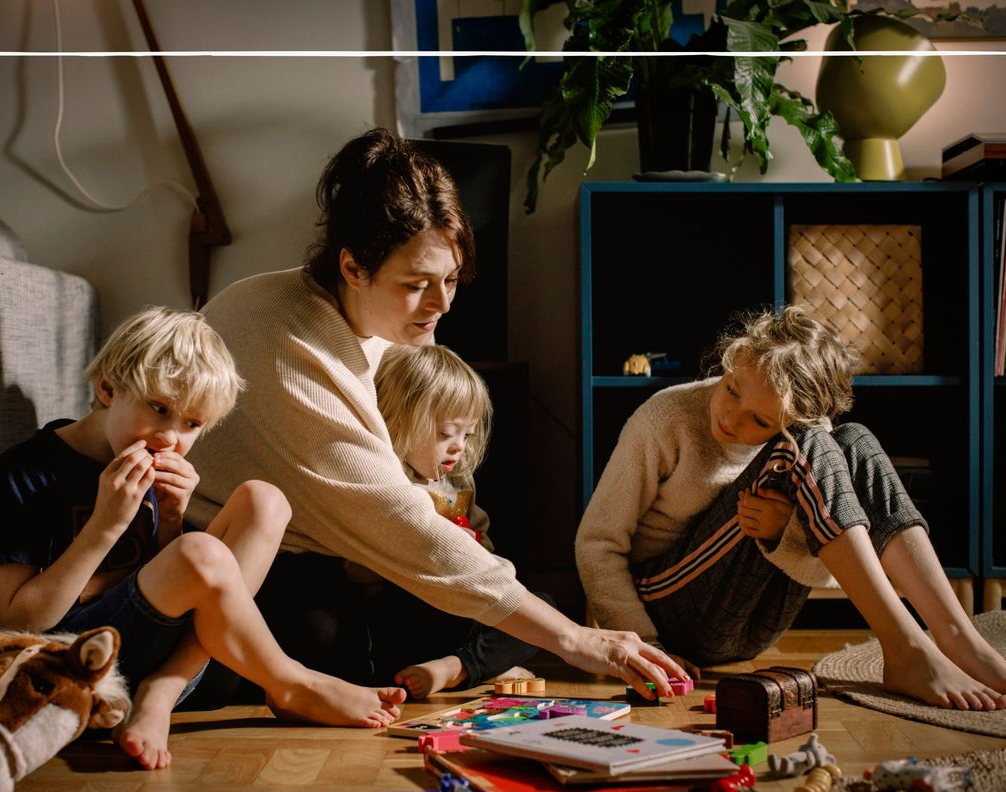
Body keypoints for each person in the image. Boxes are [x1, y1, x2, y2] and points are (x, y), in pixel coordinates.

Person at [185, 127, 687, 700]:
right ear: (352, 267)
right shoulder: (291, 343)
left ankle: (453, 661)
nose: (443, 302)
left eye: (449, 280)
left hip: (337, 560)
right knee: (335, 635)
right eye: (417, 284)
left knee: (501, 606)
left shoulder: (366, 324)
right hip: (248, 568)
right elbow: (399, 523)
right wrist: (576, 640)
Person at [0, 306, 406, 771]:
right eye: (159, 409)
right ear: (107, 389)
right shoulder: (25, 472)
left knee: (264, 501)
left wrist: (171, 519)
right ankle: (288, 682)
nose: (170, 437)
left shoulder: (153, 459)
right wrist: (105, 526)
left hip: (185, 664)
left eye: (192, 424)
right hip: (86, 665)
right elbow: (19, 624)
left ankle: (162, 691)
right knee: (200, 551)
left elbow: (164, 581)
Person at [576, 306, 1006, 711]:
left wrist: (786, 532)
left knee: (853, 441)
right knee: (804, 448)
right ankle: (905, 646)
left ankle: (958, 638)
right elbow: (596, 545)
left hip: (752, 626)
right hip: (667, 613)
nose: (730, 415)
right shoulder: (664, 418)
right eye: (732, 388)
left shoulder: (808, 434)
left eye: (759, 420)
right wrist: (646, 646)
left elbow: (826, 568)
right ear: (729, 361)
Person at [366, 343, 540, 696]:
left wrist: (480, 554)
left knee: (541, 606)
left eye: (467, 434)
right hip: (403, 609)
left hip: (460, 605)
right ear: (399, 420)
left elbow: (482, 538)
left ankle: (458, 668)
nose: (459, 446)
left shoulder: (458, 478)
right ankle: (480, 666)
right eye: (446, 434)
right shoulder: (386, 476)